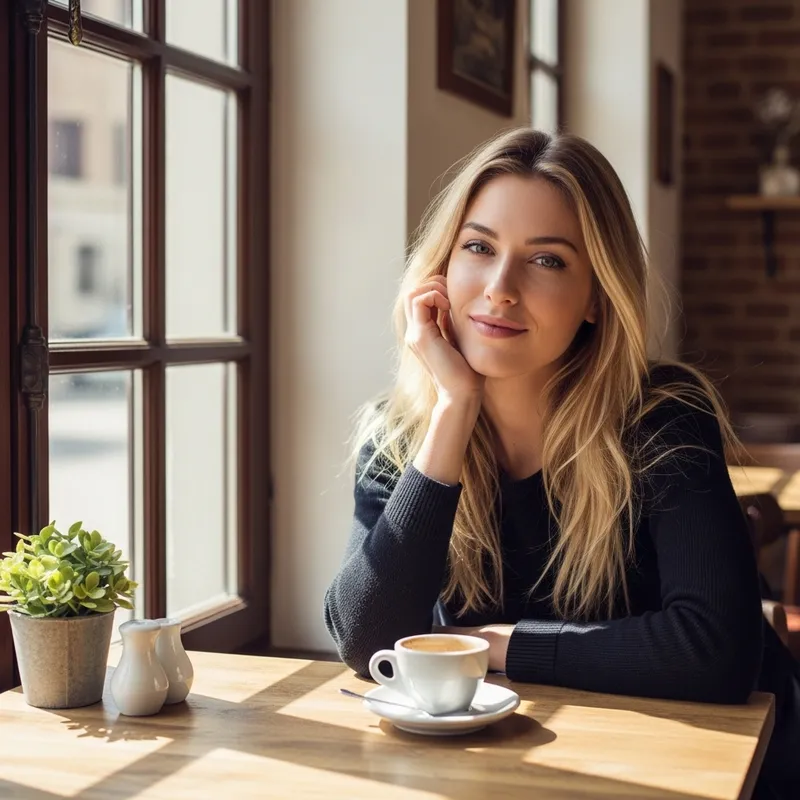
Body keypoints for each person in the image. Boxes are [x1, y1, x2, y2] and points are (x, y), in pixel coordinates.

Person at [323, 129, 799, 796]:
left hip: (727, 769)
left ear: (597, 298)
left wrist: (496, 645)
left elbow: (715, 650)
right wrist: (454, 408)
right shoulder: (402, 433)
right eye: (478, 247)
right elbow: (368, 640)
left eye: (546, 261)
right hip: (528, 768)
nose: (499, 288)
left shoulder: (662, 415)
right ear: (441, 269)